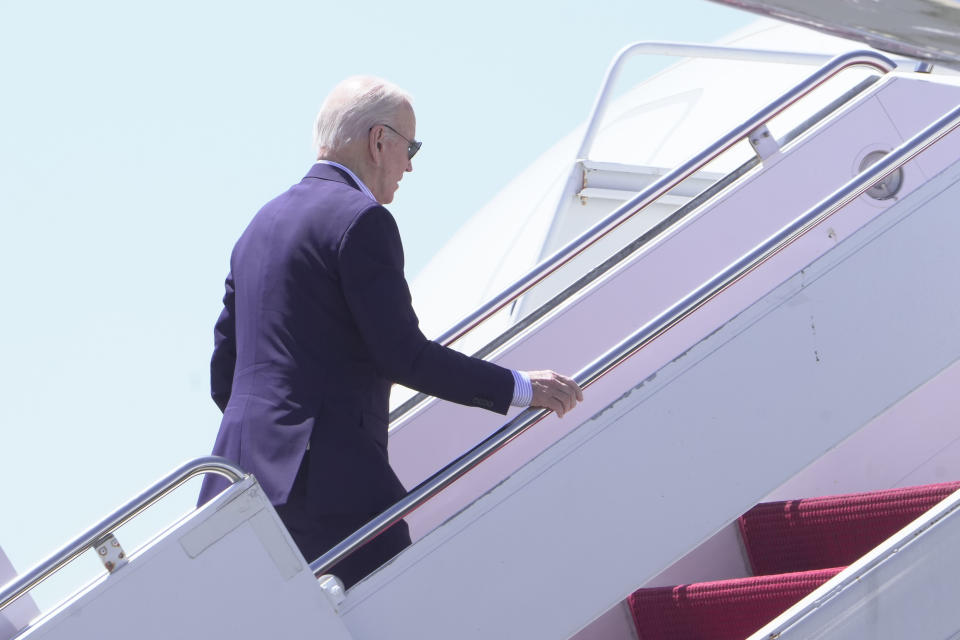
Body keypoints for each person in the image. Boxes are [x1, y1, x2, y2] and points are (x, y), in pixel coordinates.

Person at [198, 76, 582, 587]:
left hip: (238, 482)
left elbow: (224, 375)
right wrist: (520, 388)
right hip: (330, 493)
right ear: (380, 142)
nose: (410, 165)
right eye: (410, 146)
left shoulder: (258, 227)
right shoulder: (361, 221)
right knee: (401, 594)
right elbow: (403, 354)